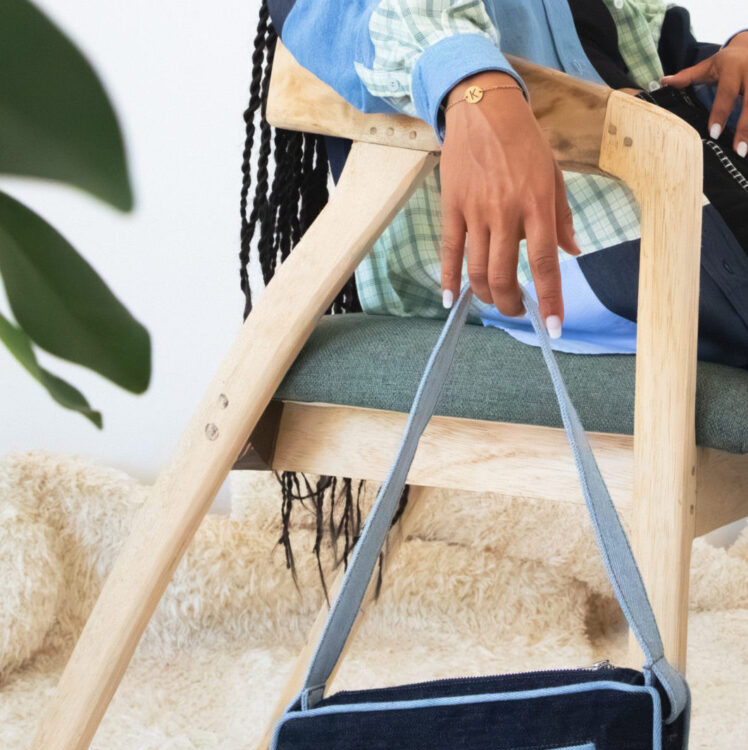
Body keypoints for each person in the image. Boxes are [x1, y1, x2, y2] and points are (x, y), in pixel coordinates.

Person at [239, 1, 748, 584]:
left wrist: (727, 55)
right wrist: (470, 84)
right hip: (573, 245)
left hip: (683, 197)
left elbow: (629, 56)